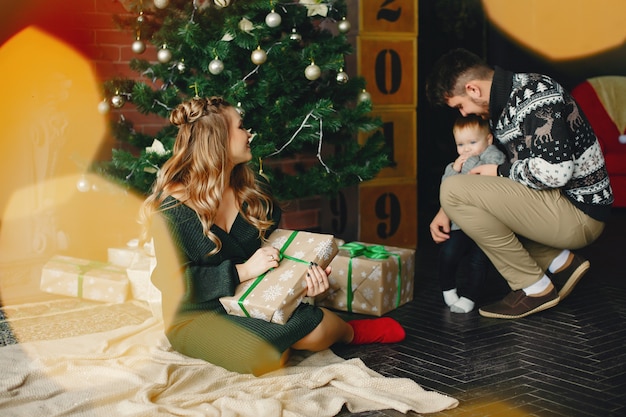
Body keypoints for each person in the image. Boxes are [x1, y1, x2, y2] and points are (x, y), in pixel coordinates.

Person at [139, 96, 405, 376]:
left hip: (253, 299)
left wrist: (304, 278)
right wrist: (241, 271)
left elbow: (275, 253)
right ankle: (283, 338)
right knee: (258, 358)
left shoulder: (254, 194)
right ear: (218, 140)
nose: (249, 134)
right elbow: (171, 283)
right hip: (195, 315)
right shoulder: (174, 209)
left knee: (317, 331)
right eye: (241, 127)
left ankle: (349, 332)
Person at [425, 48, 613, 319]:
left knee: (453, 189)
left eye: (460, 106)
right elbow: (492, 182)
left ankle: (534, 288)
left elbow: (556, 172)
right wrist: (447, 210)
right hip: (557, 207)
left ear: (473, 89)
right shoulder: (505, 105)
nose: (465, 113)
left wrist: (500, 171)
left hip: (580, 214)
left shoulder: (536, 93)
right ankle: (560, 262)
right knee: (459, 196)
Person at [438, 115, 506, 313]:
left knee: (478, 261)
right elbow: (447, 187)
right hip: (460, 222)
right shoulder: (458, 163)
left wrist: (464, 166)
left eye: (472, 142)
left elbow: (480, 177)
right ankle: (448, 288)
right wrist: (454, 168)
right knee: (448, 254)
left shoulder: (494, 157)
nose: (466, 149)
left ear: (489, 140)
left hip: (485, 223)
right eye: (460, 144)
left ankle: (470, 296)